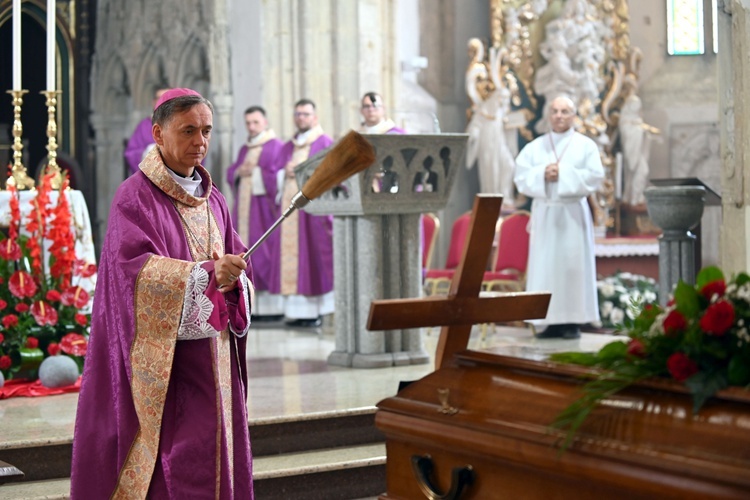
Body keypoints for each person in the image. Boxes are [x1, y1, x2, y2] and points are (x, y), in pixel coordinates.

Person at [71, 88, 255, 498]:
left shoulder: (215, 201)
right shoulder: (134, 197)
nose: (200, 142)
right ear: (158, 133)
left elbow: (238, 262)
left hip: (216, 359)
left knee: (217, 453)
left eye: (206, 130)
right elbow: (130, 276)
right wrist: (206, 275)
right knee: (176, 464)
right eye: (188, 131)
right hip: (165, 368)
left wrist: (236, 279)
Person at [513, 96, 604, 339]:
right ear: (548, 115)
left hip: (572, 214)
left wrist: (562, 173)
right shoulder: (535, 147)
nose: (559, 115)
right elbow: (520, 177)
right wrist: (543, 173)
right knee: (545, 269)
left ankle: (571, 322)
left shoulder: (586, 146)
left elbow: (595, 176)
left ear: (574, 115)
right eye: (555, 111)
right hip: (546, 213)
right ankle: (545, 322)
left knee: (572, 268)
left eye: (565, 111)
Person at [274, 98, 334, 327]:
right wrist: (283, 173)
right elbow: (274, 175)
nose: (301, 118)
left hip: (312, 214)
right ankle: (298, 313)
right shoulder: (287, 147)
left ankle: (317, 311)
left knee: (313, 259)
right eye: (298, 114)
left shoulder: (324, 143)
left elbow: (330, 175)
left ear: (315, 117)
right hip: (290, 213)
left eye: (306, 114)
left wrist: (300, 172)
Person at [226, 106, 285, 319]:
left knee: (265, 255)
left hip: (264, 212)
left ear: (265, 122)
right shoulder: (245, 148)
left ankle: (273, 308)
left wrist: (257, 173)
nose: (251, 127)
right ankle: (252, 306)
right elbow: (232, 172)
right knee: (244, 252)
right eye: (248, 123)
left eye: (255, 122)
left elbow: (279, 177)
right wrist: (239, 172)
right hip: (244, 213)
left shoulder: (276, 146)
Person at [123, 87, 170, 175]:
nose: (161, 101)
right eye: (158, 98)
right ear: (153, 102)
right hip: (151, 180)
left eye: (166, 98)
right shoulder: (144, 125)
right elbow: (131, 153)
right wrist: (148, 152)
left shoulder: (183, 125)